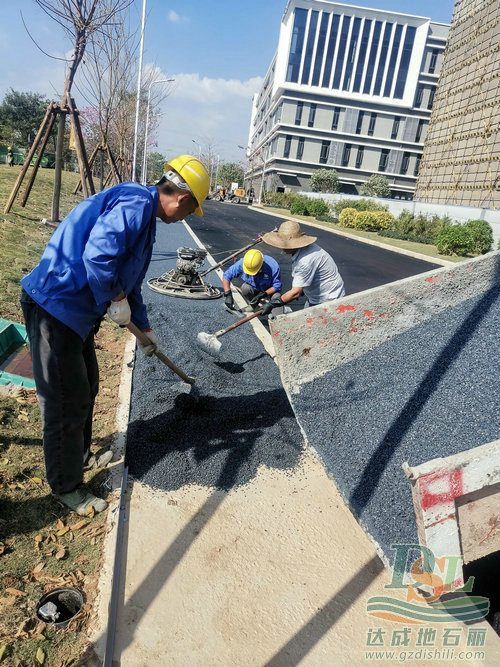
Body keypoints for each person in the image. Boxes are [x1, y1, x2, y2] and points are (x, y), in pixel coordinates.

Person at [20, 155, 209, 515]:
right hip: (54, 305)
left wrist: (145, 328)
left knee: (88, 386)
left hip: (76, 315)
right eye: (189, 212)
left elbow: (131, 280)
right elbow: (98, 255)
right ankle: (67, 486)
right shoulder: (136, 203)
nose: (184, 218)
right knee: (66, 400)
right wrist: (114, 296)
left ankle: (82, 454)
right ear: (183, 200)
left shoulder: (147, 219)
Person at [260, 220, 345, 316]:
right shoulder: (304, 250)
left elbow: (295, 293)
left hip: (328, 300)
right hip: (317, 295)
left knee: (312, 325)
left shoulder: (305, 260)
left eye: (284, 245)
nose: (282, 248)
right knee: (306, 317)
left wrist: (272, 304)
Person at [222, 248, 282, 313]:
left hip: (268, 288)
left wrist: (263, 295)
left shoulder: (272, 266)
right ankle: (253, 305)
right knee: (245, 288)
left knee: (277, 297)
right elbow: (226, 276)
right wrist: (228, 294)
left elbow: (277, 285)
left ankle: (277, 318)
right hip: (254, 287)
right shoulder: (243, 263)